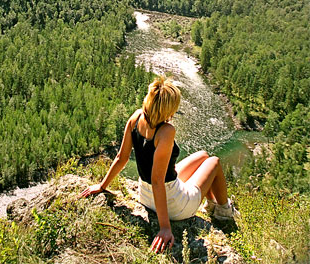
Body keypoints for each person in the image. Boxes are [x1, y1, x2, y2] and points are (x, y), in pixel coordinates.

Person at [78, 76, 239, 254]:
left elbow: (121, 158)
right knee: (214, 162)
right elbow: (157, 180)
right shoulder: (166, 131)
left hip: (145, 195)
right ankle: (223, 211)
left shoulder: (136, 117)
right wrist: (165, 228)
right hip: (174, 205)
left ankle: (210, 204)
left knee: (203, 156)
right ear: (169, 109)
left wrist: (101, 186)